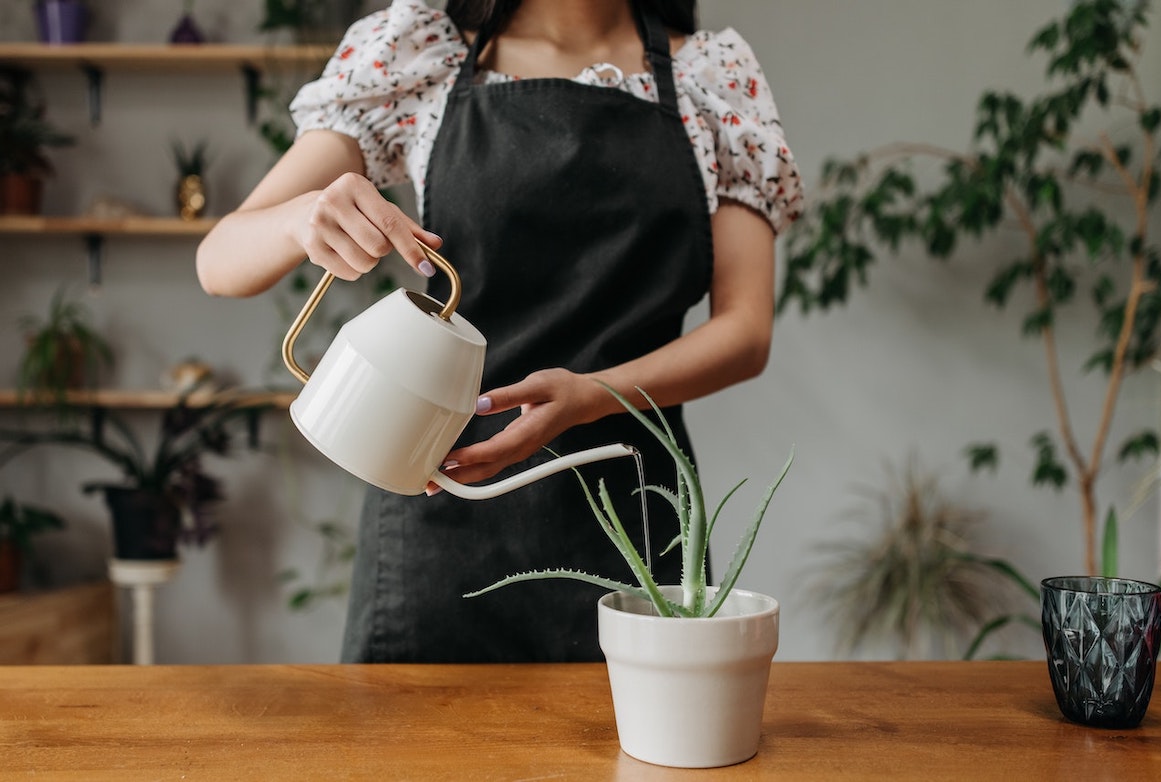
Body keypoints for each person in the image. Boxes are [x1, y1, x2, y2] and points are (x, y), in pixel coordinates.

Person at [196, 0, 803, 663]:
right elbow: (220, 261)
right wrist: (303, 217)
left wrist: (595, 394)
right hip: (439, 511)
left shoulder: (712, 78)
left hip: (631, 520)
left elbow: (745, 332)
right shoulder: (420, 53)